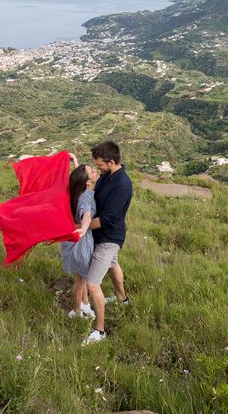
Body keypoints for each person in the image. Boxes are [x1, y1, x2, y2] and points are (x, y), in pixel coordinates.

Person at [83, 140, 133, 345]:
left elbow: (108, 219)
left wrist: (82, 228)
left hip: (109, 237)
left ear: (111, 162)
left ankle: (100, 331)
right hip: (104, 234)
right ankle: (123, 300)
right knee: (113, 264)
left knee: (92, 283)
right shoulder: (107, 176)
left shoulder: (122, 184)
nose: (98, 169)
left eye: (100, 165)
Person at [60, 153, 99, 319]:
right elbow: (87, 215)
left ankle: (84, 305)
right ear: (88, 182)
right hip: (81, 243)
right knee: (81, 281)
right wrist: (84, 228)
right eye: (92, 171)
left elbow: (79, 177)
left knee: (81, 276)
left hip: (72, 241)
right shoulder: (87, 196)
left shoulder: (77, 191)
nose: (95, 170)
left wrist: (75, 161)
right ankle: (75, 311)